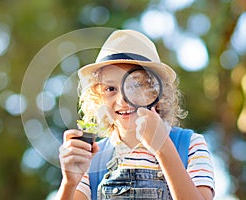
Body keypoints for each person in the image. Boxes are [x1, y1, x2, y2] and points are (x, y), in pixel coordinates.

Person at [55, 29, 215, 200]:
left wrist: (162, 147)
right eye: (110, 89)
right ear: (98, 97)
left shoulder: (190, 145)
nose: (122, 99)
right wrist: (69, 183)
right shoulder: (92, 158)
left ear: (156, 91)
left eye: (135, 86)